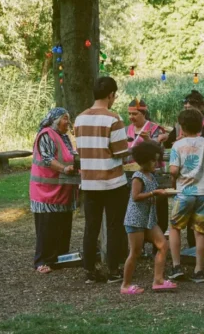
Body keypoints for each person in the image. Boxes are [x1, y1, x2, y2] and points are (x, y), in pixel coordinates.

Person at [75, 77, 130, 284]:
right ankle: (114, 270)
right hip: (112, 181)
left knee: (91, 226)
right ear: (111, 95)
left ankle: (89, 270)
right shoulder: (113, 119)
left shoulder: (79, 119)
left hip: (89, 181)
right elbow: (121, 152)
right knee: (115, 226)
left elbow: (81, 149)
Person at [165, 90, 204, 248]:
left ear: (201, 106)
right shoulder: (181, 124)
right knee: (193, 219)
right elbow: (169, 141)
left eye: (191, 105)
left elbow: (201, 139)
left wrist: (180, 140)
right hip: (191, 176)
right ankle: (193, 249)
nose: (188, 108)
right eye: (186, 106)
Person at [167, 109, 204, 283]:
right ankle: (199, 270)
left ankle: (176, 266)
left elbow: (174, 170)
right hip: (203, 193)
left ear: (181, 127)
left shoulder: (178, 145)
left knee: (175, 227)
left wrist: (172, 183)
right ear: (201, 125)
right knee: (200, 232)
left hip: (184, 193)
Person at [121, 142, 176, 295]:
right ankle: (125, 285)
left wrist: (164, 193)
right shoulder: (138, 177)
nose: (156, 163)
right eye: (153, 160)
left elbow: (154, 195)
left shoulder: (151, 176)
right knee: (135, 252)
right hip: (136, 220)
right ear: (144, 160)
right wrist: (154, 194)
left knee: (163, 245)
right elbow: (135, 196)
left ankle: (158, 280)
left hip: (149, 219)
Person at [30, 107, 80, 274]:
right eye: (66, 118)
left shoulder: (65, 136)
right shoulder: (46, 134)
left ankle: (59, 257)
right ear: (56, 120)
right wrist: (64, 169)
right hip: (46, 191)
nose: (68, 122)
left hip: (62, 190)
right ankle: (42, 261)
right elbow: (47, 158)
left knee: (62, 224)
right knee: (47, 226)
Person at [126, 98, 169, 251]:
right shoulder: (126, 130)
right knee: (138, 208)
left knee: (158, 209)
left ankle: (158, 243)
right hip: (133, 174)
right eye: (129, 114)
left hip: (154, 174)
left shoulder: (156, 129)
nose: (131, 117)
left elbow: (160, 151)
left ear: (143, 113)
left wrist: (148, 140)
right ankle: (139, 245)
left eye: (135, 114)